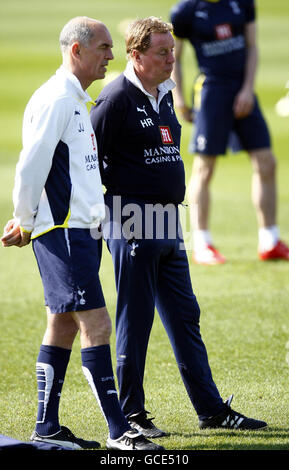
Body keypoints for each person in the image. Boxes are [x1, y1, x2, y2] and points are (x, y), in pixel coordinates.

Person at [90, 16, 267, 438]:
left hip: (169, 219)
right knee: (135, 323)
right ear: (136, 55)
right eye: (162, 52)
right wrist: (106, 219)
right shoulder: (115, 97)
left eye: (172, 50)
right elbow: (86, 161)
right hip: (131, 220)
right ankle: (132, 416)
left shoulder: (165, 92)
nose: (172, 58)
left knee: (186, 316)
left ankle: (212, 410)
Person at [1, 16, 163, 452]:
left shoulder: (76, 98)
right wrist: (24, 218)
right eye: (104, 48)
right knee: (97, 323)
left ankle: (47, 426)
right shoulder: (57, 99)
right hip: (64, 231)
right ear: (77, 50)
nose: (111, 56)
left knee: (63, 325)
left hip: (81, 231)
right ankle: (119, 431)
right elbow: (30, 165)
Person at [170, 0, 289, 265]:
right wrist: (178, 98)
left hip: (243, 90)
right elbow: (175, 57)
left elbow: (252, 46)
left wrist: (248, 89)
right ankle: (202, 243)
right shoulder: (185, 11)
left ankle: (270, 240)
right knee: (205, 168)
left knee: (266, 162)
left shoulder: (243, 3)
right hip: (211, 91)